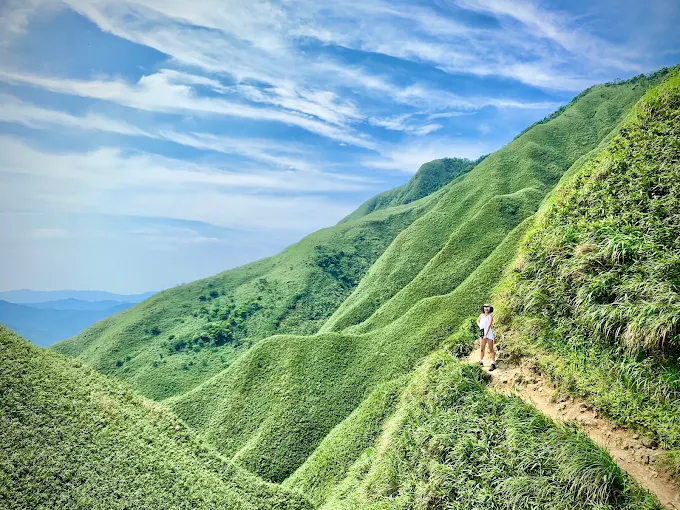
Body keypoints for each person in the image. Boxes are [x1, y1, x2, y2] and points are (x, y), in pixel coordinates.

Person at [477, 304, 496, 371]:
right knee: (482, 348)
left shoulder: (489, 316)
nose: (486, 309)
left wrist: (485, 334)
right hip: (482, 332)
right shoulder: (481, 315)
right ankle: (481, 361)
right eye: (485, 307)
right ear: (483, 308)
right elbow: (477, 321)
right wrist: (480, 327)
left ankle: (493, 363)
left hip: (488, 333)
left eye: (487, 307)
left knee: (491, 349)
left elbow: (489, 325)